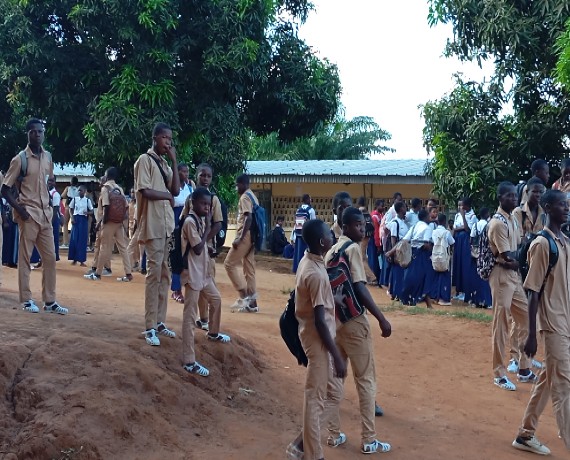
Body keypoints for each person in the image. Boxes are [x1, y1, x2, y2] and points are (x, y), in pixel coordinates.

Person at [323, 206, 392, 455]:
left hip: (335, 322)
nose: (363, 230)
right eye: (359, 225)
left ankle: (333, 435)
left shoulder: (330, 250)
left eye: (364, 225)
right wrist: (382, 319)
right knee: (365, 380)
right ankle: (369, 439)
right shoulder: (352, 249)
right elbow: (361, 288)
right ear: (347, 226)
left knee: (336, 380)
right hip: (354, 322)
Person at [511, 189, 569, 456]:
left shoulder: (564, 242)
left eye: (567, 204)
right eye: (561, 205)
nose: (566, 208)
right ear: (547, 207)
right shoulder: (542, 244)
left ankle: (525, 433)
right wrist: (531, 335)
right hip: (552, 325)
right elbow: (533, 291)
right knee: (563, 387)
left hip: (565, 322)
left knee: (548, 379)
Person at [286, 219, 347, 460]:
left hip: (318, 337)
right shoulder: (315, 273)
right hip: (318, 342)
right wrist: (336, 356)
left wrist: (334, 300)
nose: (333, 236)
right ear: (323, 242)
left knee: (334, 394)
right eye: (330, 235)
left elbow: (317, 301)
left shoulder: (310, 260)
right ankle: (314, 454)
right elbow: (320, 321)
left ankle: (302, 443)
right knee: (315, 399)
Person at [0, 118, 68, 314]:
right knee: (25, 259)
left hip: (46, 215)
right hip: (28, 214)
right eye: (33, 132)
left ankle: (50, 301)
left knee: (50, 259)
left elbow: (50, 180)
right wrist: (20, 210)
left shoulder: (48, 158)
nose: (37, 135)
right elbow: (5, 189)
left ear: (44, 133)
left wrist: (50, 186)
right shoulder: (20, 159)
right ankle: (27, 299)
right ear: (28, 134)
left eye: (40, 131)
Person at [134, 122, 180, 346]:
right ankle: (150, 325)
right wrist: (167, 197)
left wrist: (173, 160)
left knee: (165, 275)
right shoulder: (145, 161)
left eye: (170, 139)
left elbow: (177, 191)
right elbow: (145, 190)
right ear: (155, 138)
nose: (168, 143)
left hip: (167, 226)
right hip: (152, 225)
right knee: (153, 275)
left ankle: (160, 321)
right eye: (165, 138)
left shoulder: (166, 164)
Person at [488, 182, 536, 391]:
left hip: (513, 277)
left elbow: (518, 251)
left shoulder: (513, 220)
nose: (513, 199)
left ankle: (524, 368)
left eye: (514, 196)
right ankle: (499, 374)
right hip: (501, 276)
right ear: (500, 198)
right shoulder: (498, 223)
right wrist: (522, 257)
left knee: (526, 319)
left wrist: (520, 257)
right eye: (508, 196)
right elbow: (508, 256)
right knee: (501, 326)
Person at [181, 187, 230, 377]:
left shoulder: (200, 220)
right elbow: (198, 248)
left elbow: (202, 248)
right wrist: (209, 226)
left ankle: (213, 332)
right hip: (193, 275)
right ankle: (189, 360)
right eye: (204, 204)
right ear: (193, 203)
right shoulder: (190, 222)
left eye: (209, 205)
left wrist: (210, 249)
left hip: (203, 273)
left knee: (216, 300)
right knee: (189, 316)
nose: (207, 208)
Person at [508, 177, 546, 373]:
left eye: (541, 192)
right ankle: (515, 357)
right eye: (534, 192)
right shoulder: (518, 213)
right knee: (520, 315)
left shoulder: (543, 213)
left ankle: (526, 358)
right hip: (521, 267)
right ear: (527, 192)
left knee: (532, 313)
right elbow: (516, 240)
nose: (538, 195)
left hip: (536, 267)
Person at [84, 167, 133, 282]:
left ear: (107, 176)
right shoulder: (119, 188)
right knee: (123, 248)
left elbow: (106, 206)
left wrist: (103, 222)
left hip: (109, 221)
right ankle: (128, 274)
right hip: (119, 222)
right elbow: (126, 206)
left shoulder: (105, 188)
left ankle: (97, 274)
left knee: (104, 247)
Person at [192, 163, 223, 331]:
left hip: (207, 249)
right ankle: (202, 319)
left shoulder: (214, 200)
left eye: (208, 176)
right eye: (202, 175)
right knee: (195, 285)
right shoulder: (191, 197)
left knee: (209, 284)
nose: (205, 179)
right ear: (196, 175)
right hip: (192, 248)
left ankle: (211, 324)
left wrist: (204, 242)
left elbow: (217, 224)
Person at [224, 174, 259, 313]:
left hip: (246, 236)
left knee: (228, 263)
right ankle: (252, 303)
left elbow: (248, 217)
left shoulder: (245, 197)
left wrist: (240, 238)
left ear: (243, 184)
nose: (236, 188)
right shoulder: (253, 196)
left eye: (237, 185)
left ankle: (244, 296)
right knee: (249, 268)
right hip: (254, 236)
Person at [399, 209, 434, 308]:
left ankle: (409, 299)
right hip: (422, 255)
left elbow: (405, 240)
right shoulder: (427, 228)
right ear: (426, 217)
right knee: (424, 278)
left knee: (412, 277)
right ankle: (424, 302)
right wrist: (432, 245)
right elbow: (426, 245)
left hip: (412, 253)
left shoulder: (414, 226)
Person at [171, 163, 194, 303]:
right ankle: (176, 289)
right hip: (174, 225)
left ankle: (187, 286)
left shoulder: (190, 188)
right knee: (176, 258)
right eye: (184, 171)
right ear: (177, 172)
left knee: (187, 257)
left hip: (187, 226)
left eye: (187, 172)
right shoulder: (172, 189)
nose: (186, 174)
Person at [85, 175, 112, 277]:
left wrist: (101, 223)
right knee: (99, 246)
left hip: (103, 223)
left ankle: (103, 269)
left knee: (102, 247)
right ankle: (96, 267)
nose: (100, 183)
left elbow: (106, 208)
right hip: (101, 222)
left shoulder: (105, 191)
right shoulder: (104, 191)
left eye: (101, 181)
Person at [451, 197, 477, 302]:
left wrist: (463, 217)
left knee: (466, 266)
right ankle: (459, 291)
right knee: (458, 265)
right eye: (458, 205)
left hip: (466, 241)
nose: (459, 207)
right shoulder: (457, 215)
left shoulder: (472, 216)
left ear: (466, 206)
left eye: (461, 205)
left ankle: (467, 292)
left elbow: (467, 228)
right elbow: (454, 228)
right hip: (458, 241)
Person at [468, 207, 492, 309]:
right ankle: (486, 301)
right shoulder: (489, 225)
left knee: (476, 276)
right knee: (486, 276)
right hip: (486, 254)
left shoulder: (475, 225)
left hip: (476, 254)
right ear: (487, 214)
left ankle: (476, 300)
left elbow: (471, 239)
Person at [384, 201, 408, 301]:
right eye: (404, 206)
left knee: (398, 272)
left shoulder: (403, 222)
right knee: (398, 273)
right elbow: (394, 239)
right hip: (397, 250)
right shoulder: (395, 223)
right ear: (401, 209)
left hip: (403, 249)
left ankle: (394, 292)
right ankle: (396, 293)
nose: (406, 208)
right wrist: (394, 253)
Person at [430, 213, 455, 305]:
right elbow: (452, 243)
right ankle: (443, 299)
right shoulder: (447, 232)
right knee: (445, 276)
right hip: (444, 257)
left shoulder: (434, 232)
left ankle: (435, 297)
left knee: (436, 276)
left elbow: (432, 242)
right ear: (444, 221)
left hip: (435, 256)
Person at [379, 192, 403, 287]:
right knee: (388, 260)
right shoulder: (391, 211)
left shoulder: (398, 211)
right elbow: (386, 225)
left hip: (395, 236)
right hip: (389, 237)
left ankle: (387, 281)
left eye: (401, 200)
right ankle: (384, 281)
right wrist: (394, 225)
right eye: (398, 199)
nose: (400, 201)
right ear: (394, 200)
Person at [67, 185, 93, 266]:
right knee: (74, 239)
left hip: (83, 220)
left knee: (82, 240)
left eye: (81, 190)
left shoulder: (87, 200)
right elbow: (70, 209)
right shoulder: (75, 199)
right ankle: (74, 259)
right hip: (76, 219)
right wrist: (72, 218)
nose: (79, 192)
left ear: (85, 191)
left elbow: (92, 211)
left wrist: (87, 213)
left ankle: (81, 260)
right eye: (78, 190)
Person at [292, 194, 316, 273]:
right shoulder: (310, 210)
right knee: (306, 253)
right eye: (310, 199)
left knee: (298, 253)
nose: (311, 200)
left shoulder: (298, 210)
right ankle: (305, 270)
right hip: (307, 235)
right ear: (307, 200)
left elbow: (295, 224)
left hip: (298, 234)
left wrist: (293, 237)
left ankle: (297, 269)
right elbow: (313, 223)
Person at [357, 196, 377, 285]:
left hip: (362, 236)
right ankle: (365, 277)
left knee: (361, 258)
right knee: (364, 256)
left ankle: (372, 278)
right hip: (368, 236)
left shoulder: (359, 211)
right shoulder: (367, 212)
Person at [60, 176, 79, 248]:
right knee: (75, 224)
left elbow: (62, 196)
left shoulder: (68, 188)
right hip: (76, 208)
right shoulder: (78, 189)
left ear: (71, 182)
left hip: (68, 207)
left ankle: (65, 242)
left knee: (65, 224)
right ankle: (74, 241)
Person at [370, 199, 385, 285]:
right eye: (381, 206)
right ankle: (375, 278)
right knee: (374, 261)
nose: (383, 207)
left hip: (380, 241)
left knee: (379, 261)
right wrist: (378, 245)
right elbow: (376, 231)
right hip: (375, 242)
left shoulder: (381, 215)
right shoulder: (374, 216)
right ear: (377, 206)